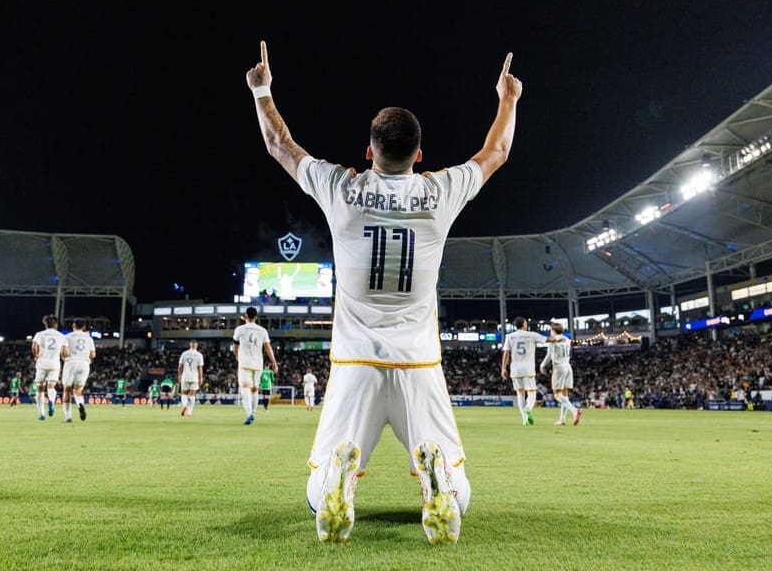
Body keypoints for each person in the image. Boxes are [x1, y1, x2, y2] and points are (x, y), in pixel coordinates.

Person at [245, 40, 521, 544]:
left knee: (314, 491)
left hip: (355, 364)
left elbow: (280, 147)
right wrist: (508, 98)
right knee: (461, 495)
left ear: (368, 150)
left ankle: (339, 480)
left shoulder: (341, 189)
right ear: (420, 154)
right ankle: (436, 481)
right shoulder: (439, 193)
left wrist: (262, 90)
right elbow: (496, 152)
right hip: (419, 362)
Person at [232, 306, 278, 425]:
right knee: (254, 390)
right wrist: (273, 362)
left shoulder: (240, 329)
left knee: (244, 388)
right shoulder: (262, 331)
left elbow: (235, 346)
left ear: (245, 316)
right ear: (256, 317)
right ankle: (253, 412)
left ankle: (249, 414)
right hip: (258, 364)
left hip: (244, 363)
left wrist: (237, 356)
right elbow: (268, 347)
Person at [500, 317, 548, 425]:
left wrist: (503, 368)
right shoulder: (531, 335)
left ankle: (524, 419)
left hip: (515, 369)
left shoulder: (510, 336)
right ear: (524, 324)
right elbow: (547, 339)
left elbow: (506, 353)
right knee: (532, 392)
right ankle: (528, 408)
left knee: (520, 393)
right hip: (528, 369)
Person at [538, 322, 581, 426]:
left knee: (557, 395)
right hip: (568, 366)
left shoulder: (555, 340)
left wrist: (542, 365)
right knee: (564, 395)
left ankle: (575, 411)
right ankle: (562, 419)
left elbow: (549, 354)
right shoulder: (567, 339)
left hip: (559, 367)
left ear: (553, 330)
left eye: (551, 330)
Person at [32, 314, 66, 420]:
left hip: (42, 363)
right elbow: (64, 351)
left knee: (40, 389)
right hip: (55, 364)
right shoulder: (61, 336)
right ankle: (51, 401)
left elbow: (34, 346)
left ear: (45, 323)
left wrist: (36, 355)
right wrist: (62, 357)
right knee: (51, 387)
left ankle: (41, 414)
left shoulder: (40, 334)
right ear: (56, 324)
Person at [62, 318, 96, 422]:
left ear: (73, 326)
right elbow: (93, 355)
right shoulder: (89, 338)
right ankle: (80, 404)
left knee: (67, 390)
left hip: (71, 363)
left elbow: (64, 353)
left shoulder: (67, 337)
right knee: (78, 390)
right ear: (84, 327)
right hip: (84, 364)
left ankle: (68, 417)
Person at [177, 340, 204, 417]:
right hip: (194, 378)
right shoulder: (199, 355)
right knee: (192, 395)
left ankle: (184, 405)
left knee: (184, 393)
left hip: (185, 377)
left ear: (190, 345)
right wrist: (201, 378)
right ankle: (189, 412)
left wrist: (179, 375)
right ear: (196, 346)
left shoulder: (184, 354)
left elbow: (180, 366)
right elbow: (200, 368)